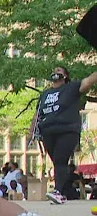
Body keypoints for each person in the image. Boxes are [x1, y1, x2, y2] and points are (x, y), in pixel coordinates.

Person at [36, 66, 97, 204]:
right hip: (48, 131)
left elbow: (88, 82)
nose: (55, 72)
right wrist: (33, 130)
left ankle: (58, 191)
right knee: (57, 162)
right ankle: (63, 191)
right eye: (54, 70)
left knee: (60, 159)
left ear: (65, 76)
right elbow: (38, 113)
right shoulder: (45, 94)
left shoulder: (71, 88)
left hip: (67, 130)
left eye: (59, 71)